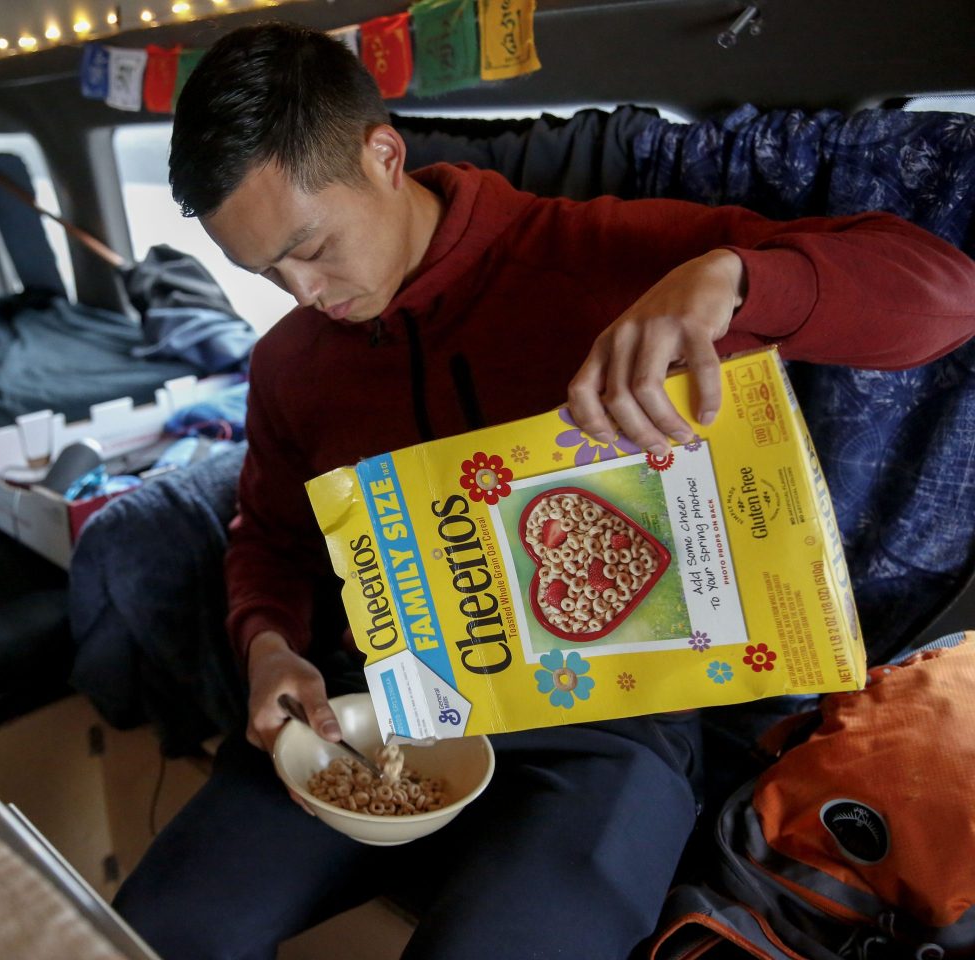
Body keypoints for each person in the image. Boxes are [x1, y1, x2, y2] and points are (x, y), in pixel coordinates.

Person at [112, 21, 975, 960]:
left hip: (606, 724)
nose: (301, 292)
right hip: (380, 707)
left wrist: (735, 281)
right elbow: (268, 536)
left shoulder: (604, 256)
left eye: (311, 246)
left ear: (385, 155)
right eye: (264, 272)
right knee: (150, 933)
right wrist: (269, 646)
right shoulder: (288, 364)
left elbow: (947, 293)